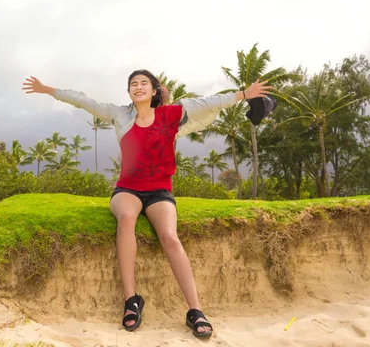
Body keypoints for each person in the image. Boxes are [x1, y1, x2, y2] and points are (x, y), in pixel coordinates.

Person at [23, 70, 272, 338]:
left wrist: (244, 95)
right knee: (127, 218)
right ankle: (131, 301)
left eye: (144, 83)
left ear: (154, 91)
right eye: (133, 84)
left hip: (159, 190)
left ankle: (195, 310)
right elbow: (83, 100)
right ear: (129, 91)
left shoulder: (171, 114)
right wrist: (47, 89)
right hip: (127, 189)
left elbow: (209, 103)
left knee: (169, 236)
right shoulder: (120, 115)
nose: (138, 87)